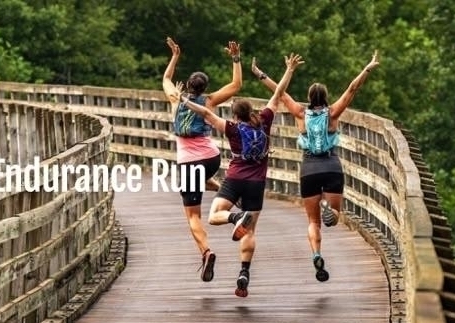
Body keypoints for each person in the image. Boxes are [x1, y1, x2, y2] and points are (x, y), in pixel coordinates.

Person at [172, 53, 304, 297]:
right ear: (252, 111)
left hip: (234, 180)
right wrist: (289, 70)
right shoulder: (265, 119)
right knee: (251, 231)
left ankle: (235, 218)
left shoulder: (231, 128)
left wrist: (183, 100)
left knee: (213, 215)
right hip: (256, 184)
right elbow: (278, 94)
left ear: (234, 116)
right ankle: (244, 272)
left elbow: (205, 113)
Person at [250, 51, 380, 282]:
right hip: (331, 165)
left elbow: (279, 92)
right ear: (326, 97)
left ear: (309, 97)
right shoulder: (332, 113)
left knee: (313, 221)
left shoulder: (300, 113)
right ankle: (330, 208)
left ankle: (317, 254)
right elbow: (352, 89)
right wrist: (367, 68)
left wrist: (260, 74)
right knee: (336, 216)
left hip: (309, 167)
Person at [162, 37, 243, 283]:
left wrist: (175, 56)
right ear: (204, 86)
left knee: (193, 216)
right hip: (211, 158)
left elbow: (165, 79)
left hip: (188, 162)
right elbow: (236, 85)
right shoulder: (208, 101)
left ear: (187, 85)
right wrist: (235, 57)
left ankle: (206, 252)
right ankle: (228, 195)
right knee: (203, 180)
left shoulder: (176, 98)